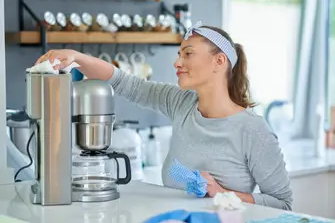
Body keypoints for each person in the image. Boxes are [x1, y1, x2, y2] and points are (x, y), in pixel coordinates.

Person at [35, 21, 293, 210]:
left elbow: (283, 204)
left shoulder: (253, 130)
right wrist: (76, 57)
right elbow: (126, 83)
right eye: (179, 54)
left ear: (219, 61)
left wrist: (222, 193)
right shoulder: (180, 103)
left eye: (188, 53)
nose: (177, 62)